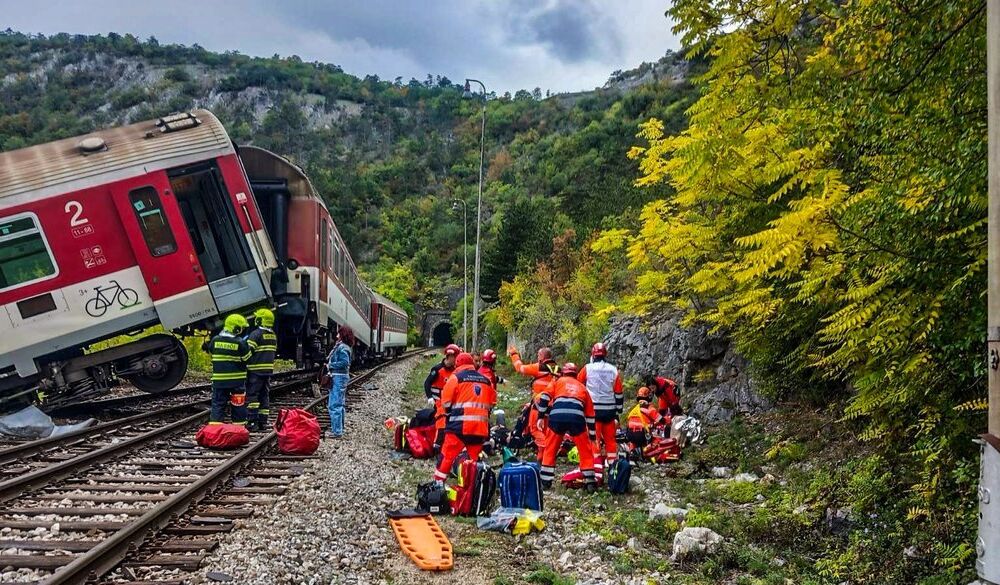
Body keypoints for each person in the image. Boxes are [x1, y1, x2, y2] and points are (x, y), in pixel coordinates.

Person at [432, 352, 496, 484]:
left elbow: (446, 403)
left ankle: (438, 484)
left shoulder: (455, 378)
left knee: (447, 457)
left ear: (457, 364)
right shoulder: (486, 380)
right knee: (472, 462)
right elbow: (492, 403)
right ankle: (470, 489)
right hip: (480, 429)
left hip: (459, 427)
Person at [535, 362, 597, 492]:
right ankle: (590, 481)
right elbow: (590, 415)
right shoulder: (582, 387)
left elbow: (545, 396)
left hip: (557, 416)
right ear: (576, 374)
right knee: (584, 450)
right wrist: (592, 435)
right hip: (576, 418)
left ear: (563, 372)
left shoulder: (558, 381)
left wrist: (541, 416)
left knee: (550, 448)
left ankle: (545, 482)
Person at [508, 345, 560, 460]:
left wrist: (514, 354)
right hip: (553, 405)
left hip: (539, 405)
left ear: (541, 357)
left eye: (538, 355)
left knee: (535, 429)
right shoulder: (557, 369)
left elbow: (519, 368)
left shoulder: (539, 367)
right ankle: (541, 459)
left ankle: (548, 450)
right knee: (545, 431)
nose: (537, 357)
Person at [578, 342, 623, 467]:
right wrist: (619, 411)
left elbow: (578, 385)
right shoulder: (613, 370)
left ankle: (597, 468)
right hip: (609, 411)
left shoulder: (587, 368)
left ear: (593, 354)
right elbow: (618, 392)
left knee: (594, 439)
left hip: (593, 411)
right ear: (605, 354)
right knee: (610, 440)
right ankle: (613, 467)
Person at [205, 314, 252, 425]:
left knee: (218, 404)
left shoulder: (215, 340)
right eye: (241, 328)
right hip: (237, 382)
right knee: (238, 405)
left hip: (219, 381)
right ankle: (239, 428)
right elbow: (247, 359)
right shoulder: (240, 342)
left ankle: (215, 429)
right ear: (236, 328)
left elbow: (211, 352)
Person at [245, 308, 277, 432]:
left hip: (255, 371)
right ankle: (263, 421)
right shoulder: (273, 335)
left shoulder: (256, 334)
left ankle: (252, 421)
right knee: (264, 395)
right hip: (267, 371)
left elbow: (248, 351)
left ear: (260, 320)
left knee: (252, 396)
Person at [425, 344, 461, 450]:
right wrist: (430, 397)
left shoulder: (455, 370)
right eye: (455, 357)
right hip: (439, 401)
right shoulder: (437, 369)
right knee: (442, 420)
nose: (456, 360)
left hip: (450, 401)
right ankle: (437, 445)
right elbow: (427, 383)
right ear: (449, 356)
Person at [326, 325, 355, 439]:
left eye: (339, 333)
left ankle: (337, 431)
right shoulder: (344, 346)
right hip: (341, 377)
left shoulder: (342, 348)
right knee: (340, 404)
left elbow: (344, 362)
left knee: (334, 404)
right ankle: (339, 429)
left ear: (343, 334)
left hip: (338, 377)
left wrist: (330, 365)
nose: (336, 335)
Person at [626, 386, 665, 451]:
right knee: (658, 440)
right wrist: (668, 420)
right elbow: (662, 420)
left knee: (635, 442)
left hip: (630, 435)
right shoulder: (649, 408)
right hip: (641, 434)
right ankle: (650, 454)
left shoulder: (634, 409)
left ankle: (633, 452)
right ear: (649, 396)